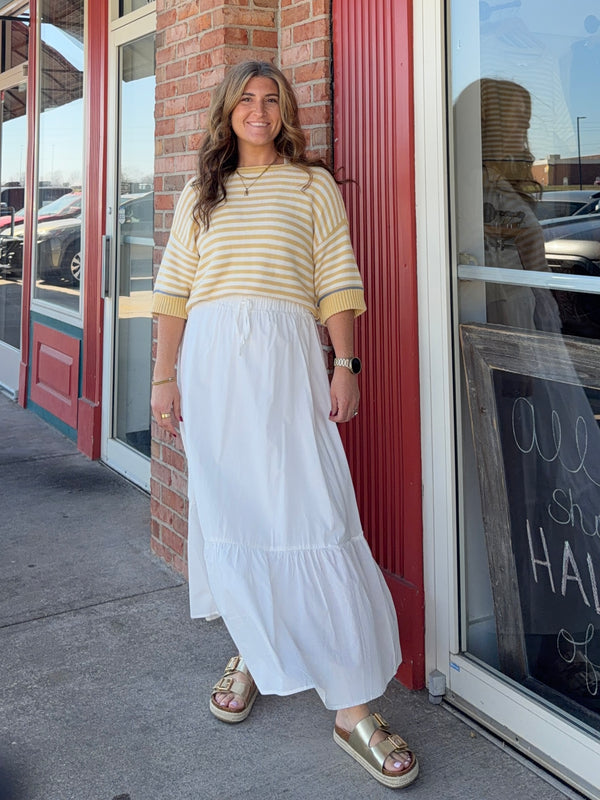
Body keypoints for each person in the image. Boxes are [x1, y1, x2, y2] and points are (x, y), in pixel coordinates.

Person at [150, 60, 419, 788]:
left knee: (317, 514)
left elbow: (338, 276)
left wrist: (347, 365)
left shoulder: (312, 184)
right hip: (210, 369)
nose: (260, 110)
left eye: (272, 100)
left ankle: (353, 709)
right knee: (235, 513)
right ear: (227, 111)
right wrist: (163, 377)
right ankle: (253, 651)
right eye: (247, 100)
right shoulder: (201, 191)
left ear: (285, 111)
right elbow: (173, 290)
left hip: (288, 362)